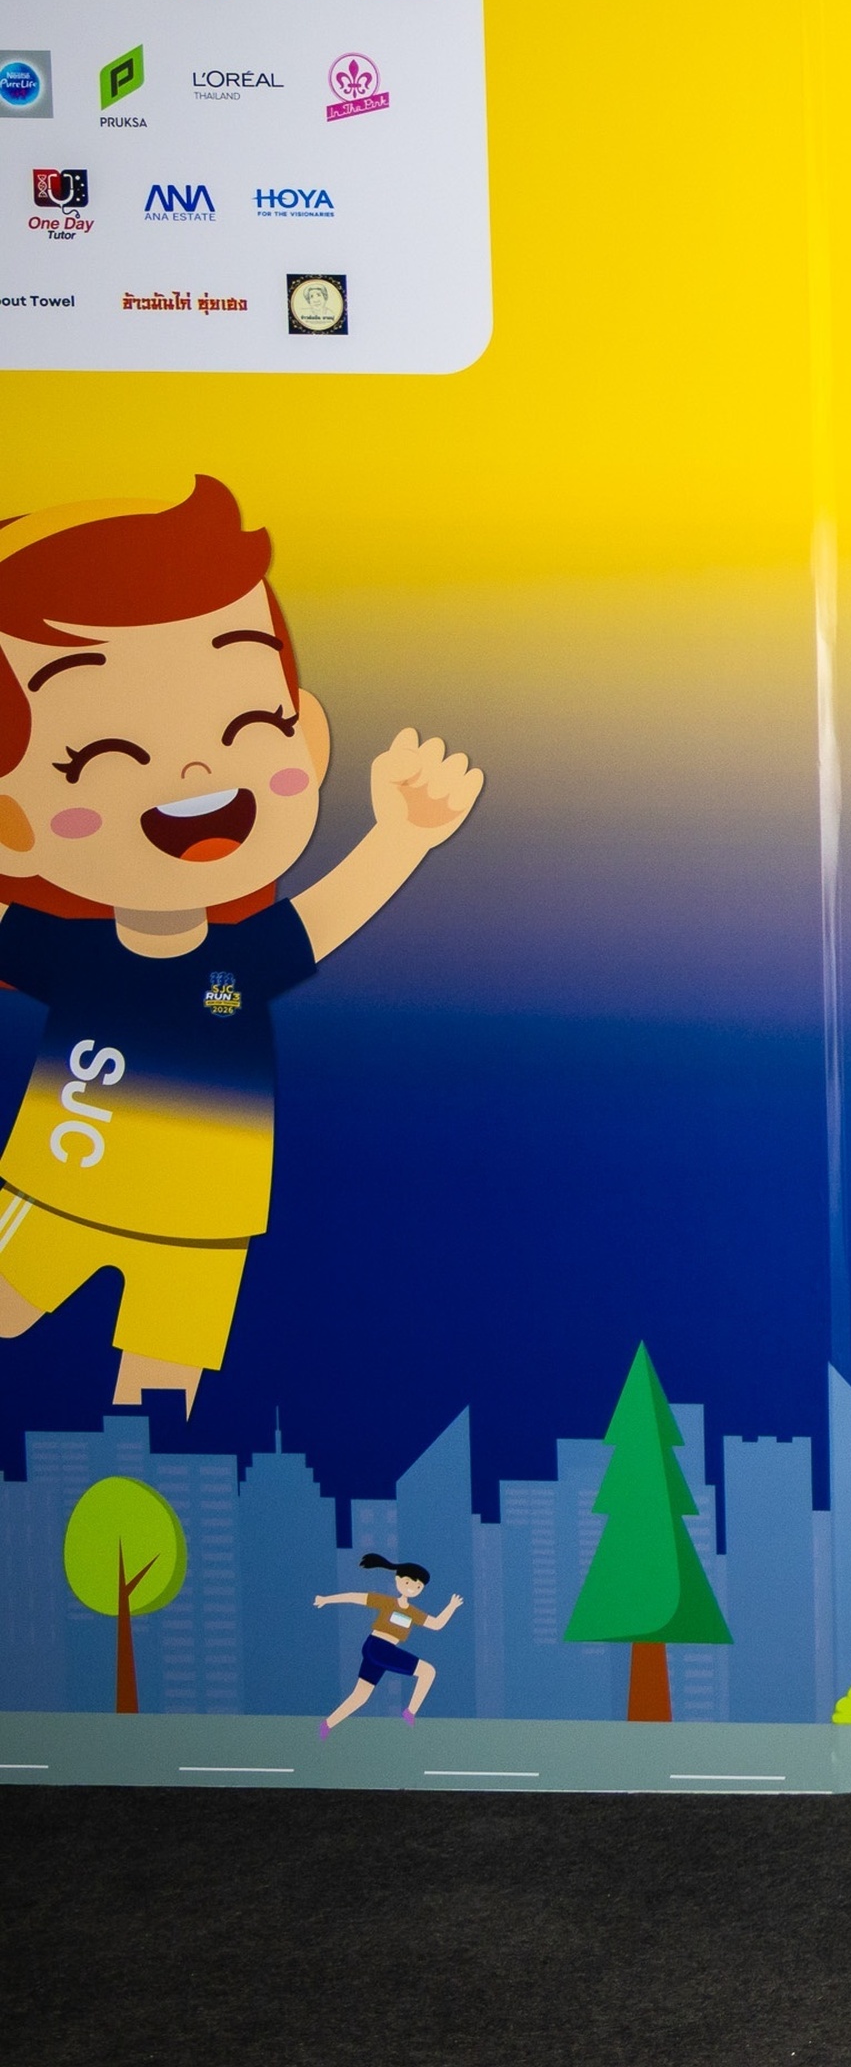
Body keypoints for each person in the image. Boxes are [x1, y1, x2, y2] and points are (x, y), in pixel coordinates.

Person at [0, 479, 486, 1416]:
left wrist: (403, 835)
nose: (194, 772)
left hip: (205, 1216)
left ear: (307, 738)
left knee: (161, 1387)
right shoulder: (65, 951)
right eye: (101, 758)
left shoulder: (248, 955)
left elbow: (330, 912)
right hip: (58, 1186)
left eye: (250, 725)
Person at [317, 1554, 459, 1728]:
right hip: (379, 1647)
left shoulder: (413, 1613)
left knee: (361, 1694)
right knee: (428, 1671)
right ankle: (410, 1712)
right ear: (398, 1580)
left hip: (379, 1650)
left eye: (418, 1586)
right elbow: (355, 1597)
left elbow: (436, 1624)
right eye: (408, 1583)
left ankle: (327, 1725)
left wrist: (451, 1606)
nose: (412, 1589)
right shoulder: (387, 1602)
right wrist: (326, 1599)